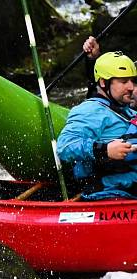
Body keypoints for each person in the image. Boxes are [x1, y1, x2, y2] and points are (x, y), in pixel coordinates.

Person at [57, 51, 137, 200]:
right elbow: (64, 146)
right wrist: (104, 150)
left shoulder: (129, 112)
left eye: (132, 81)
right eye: (124, 81)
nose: (131, 87)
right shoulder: (90, 111)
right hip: (111, 192)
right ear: (103, 82)